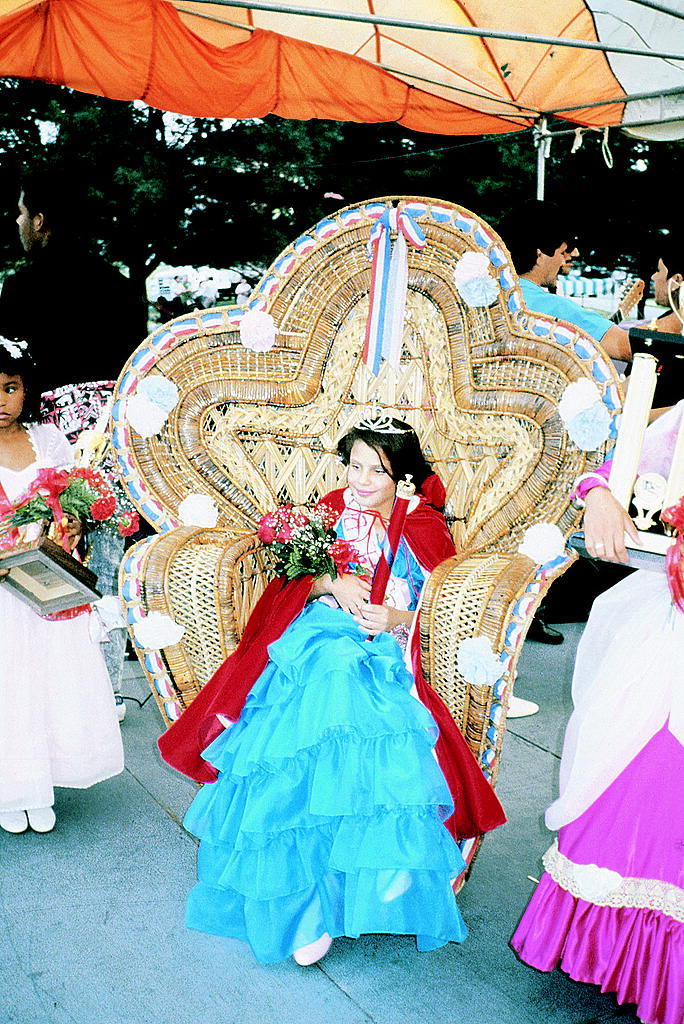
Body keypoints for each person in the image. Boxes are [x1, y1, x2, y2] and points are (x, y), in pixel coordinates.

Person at [158, 416, 506, 966]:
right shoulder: (329, 510)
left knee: (362, 706)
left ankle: (372, 874)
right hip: (317, 635)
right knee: (324, 686)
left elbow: (441, 606)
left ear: (404, 478)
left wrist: (396, 614)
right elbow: (292, 579)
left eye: (378, 470)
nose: (362, 480)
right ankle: (307, 904)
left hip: (384, 642)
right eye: (354, 465)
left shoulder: (420, 525)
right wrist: (328, 582)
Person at [511, 400, 684, 1024]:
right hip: (666, 626)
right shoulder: (683, 419)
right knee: (633, 772)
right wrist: (599, 493)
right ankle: (614, 952)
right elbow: (618, 462)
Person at [0, 171, 148, 717]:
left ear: (40, 221)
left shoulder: (21, 284)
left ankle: (36, 687)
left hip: (50, 435)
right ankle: (102, 690)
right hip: (113, 433)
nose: (16, 223)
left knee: (37, 552)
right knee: (105, 557)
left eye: (20, 213)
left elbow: (12, 373)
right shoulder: (117, 283)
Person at [0, 339, 124, 835]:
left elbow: (74, 497)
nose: (1, 400)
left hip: (45, 580)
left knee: (48, 678)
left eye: (10, 388)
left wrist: (68, 523)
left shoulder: (47, 438)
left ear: (25, 389)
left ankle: (45, 778)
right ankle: (12, 787)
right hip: (3, 590)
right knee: (9, 680)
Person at [497, 201, 632, 363]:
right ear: (539, 256)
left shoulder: (491, 294)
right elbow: (625, 347)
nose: (563, 262)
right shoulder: (551, 308)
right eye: (561, 253)